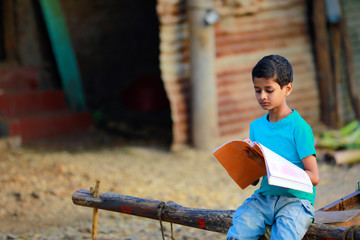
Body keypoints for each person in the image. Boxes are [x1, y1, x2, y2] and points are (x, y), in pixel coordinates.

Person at [226, 55, 319, 240]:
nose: (262, 97)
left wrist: (279, 170)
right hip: (264, 198)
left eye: (269, 90)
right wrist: (247, 159)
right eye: (257, 90)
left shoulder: (299, 128)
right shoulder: (256, 127)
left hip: (296, 201)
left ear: (287, 89)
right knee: (239, 231)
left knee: (284, 236)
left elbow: (314, 177)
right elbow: (255, 180)